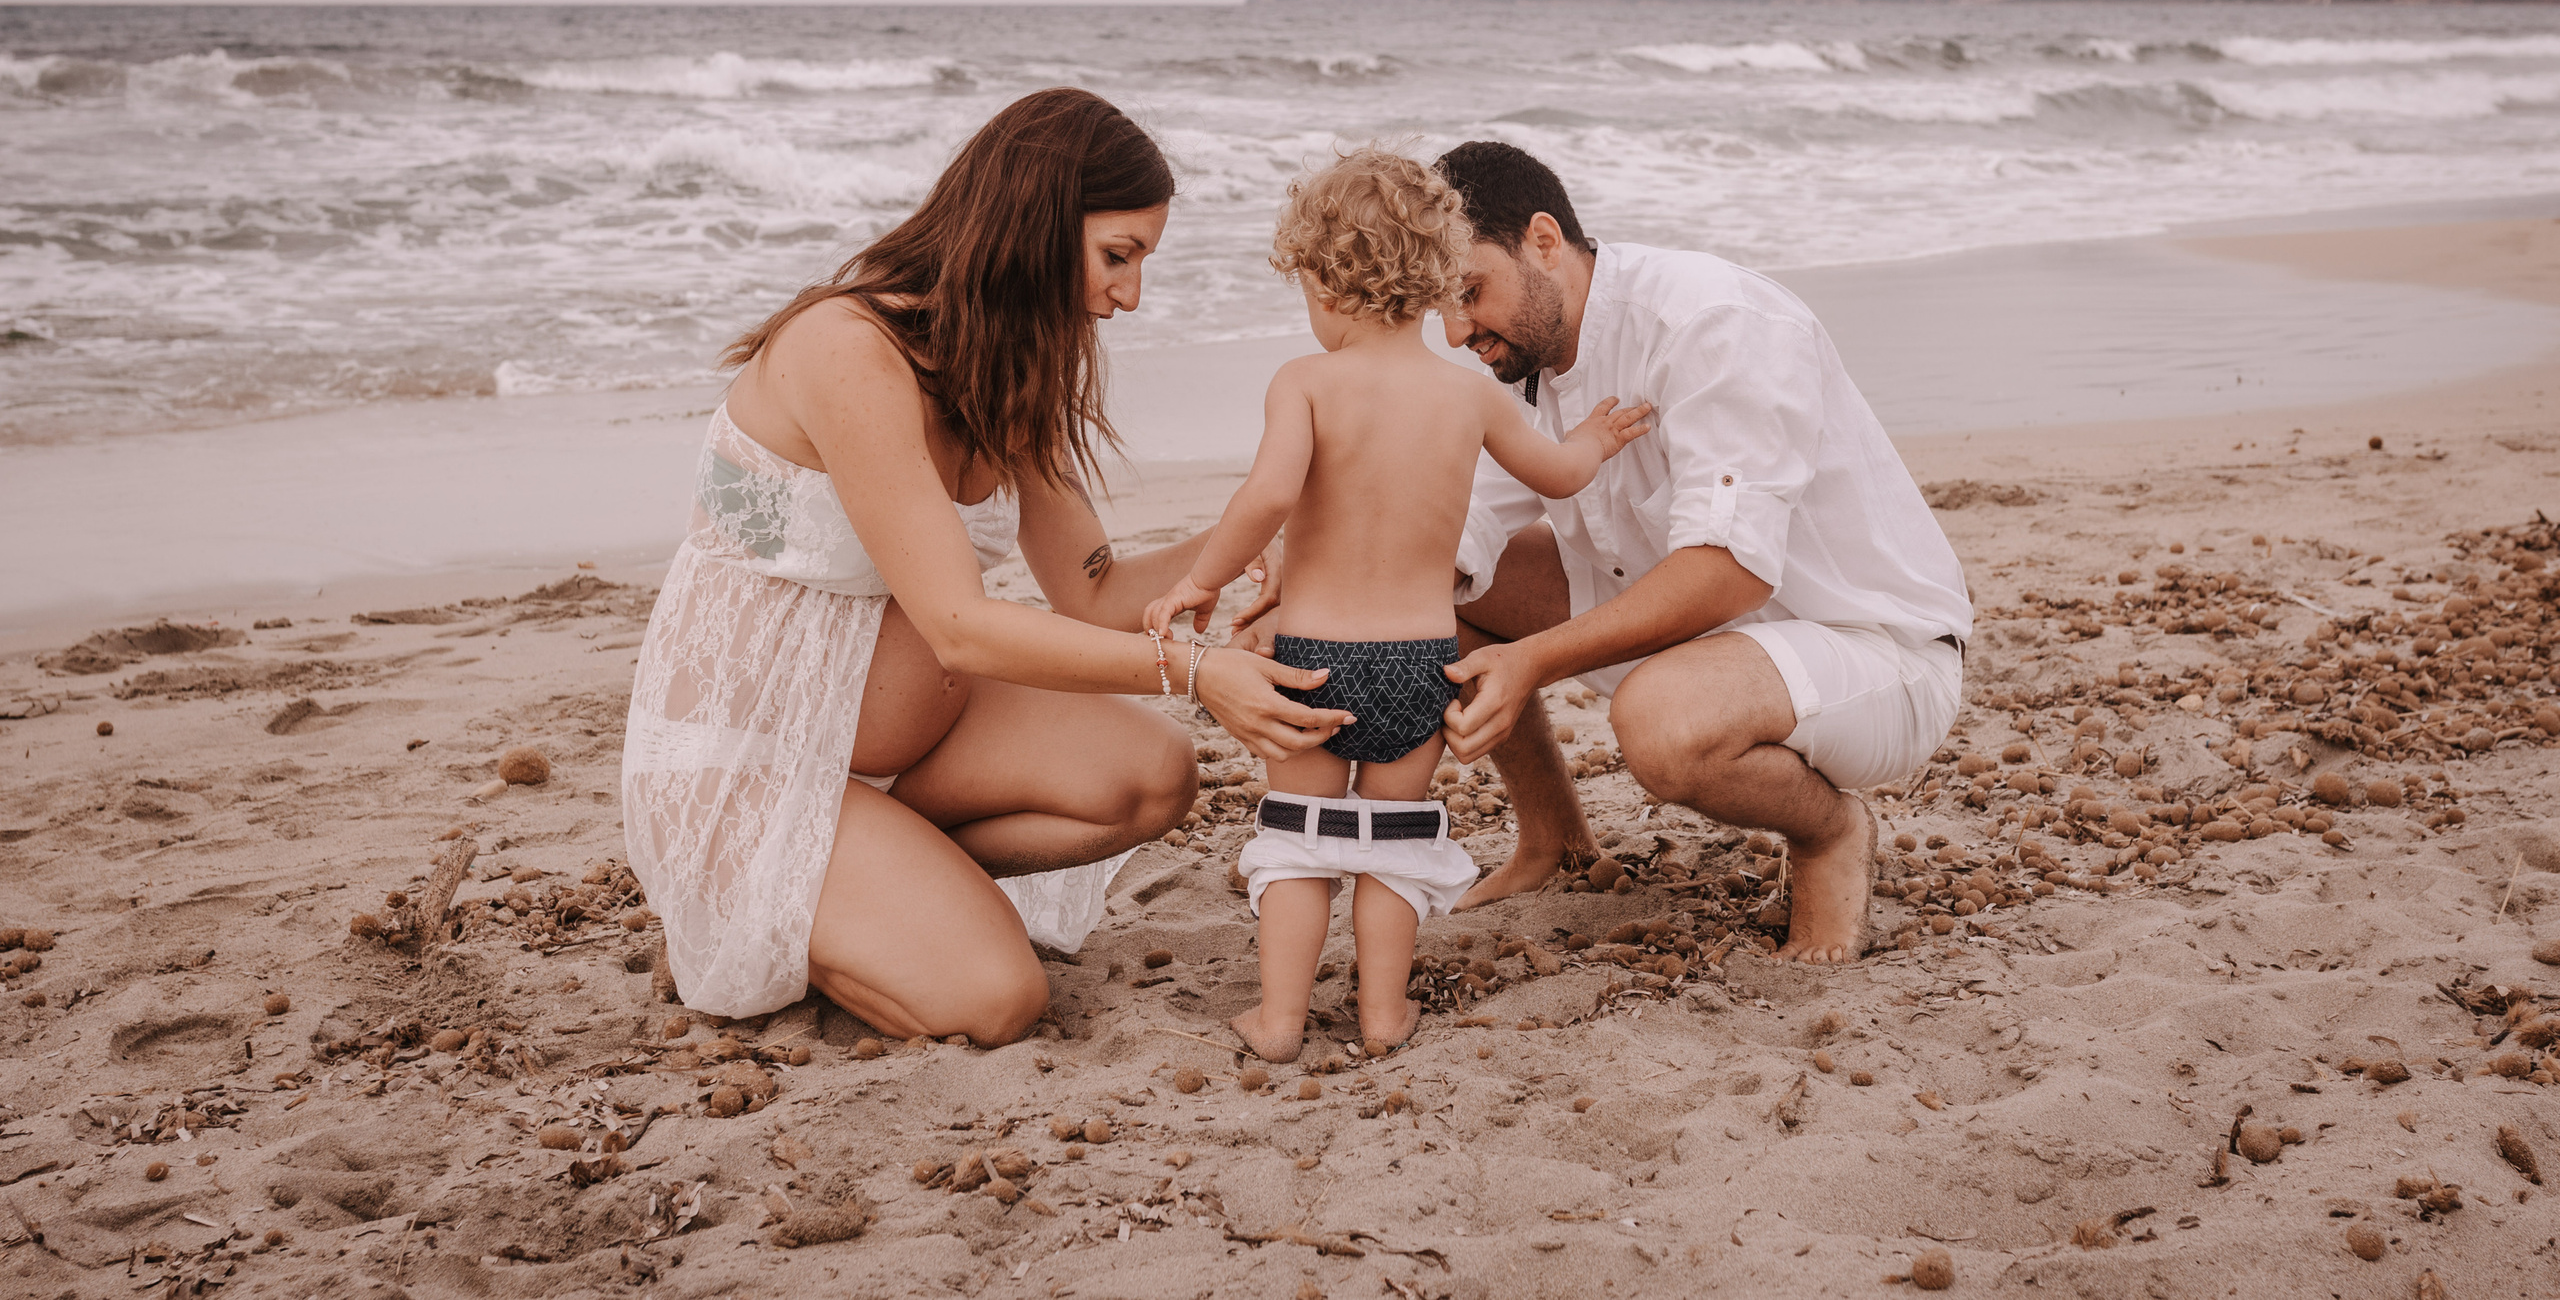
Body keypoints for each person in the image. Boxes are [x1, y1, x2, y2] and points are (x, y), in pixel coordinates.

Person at [620, 88, 1354, 1047]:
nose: (1129, 296)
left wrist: (1252, 550)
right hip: (753, 765)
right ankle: (797, 907)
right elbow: (958, 623)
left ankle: (894, 879)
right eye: (1117, 257)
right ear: (1035, 222)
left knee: (1152, 775)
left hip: (900, 755)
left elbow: (1093, 593)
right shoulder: (850, 351)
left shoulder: (1007, 369)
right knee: (996, 1001)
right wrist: (1196, 669)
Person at [1143, 150, 1651, 1059]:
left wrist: (1201, 582)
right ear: (1428, 278)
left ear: (1325, 286)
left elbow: (1266, 499)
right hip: (1420, 666)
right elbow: (1562, 475)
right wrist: (1596, 436)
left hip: (1310, 662)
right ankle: (1383, 1015)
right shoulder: (1466, 394)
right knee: (1392, 841)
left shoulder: (1304, 381)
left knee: (1299, 841)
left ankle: (1280, 1019)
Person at [1423, 140, 1972, 961]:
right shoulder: (1530, 359)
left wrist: (1531, 660)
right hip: (1702, 637)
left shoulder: (1709, 320)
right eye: (1441, 307)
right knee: (1448, 590)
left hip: (1869, 649)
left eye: (1470, 292)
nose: (1459, 330)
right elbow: (1450, 529)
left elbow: (1730, 571)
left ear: (1544, 240)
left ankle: (1830, 832)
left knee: (1659, 722)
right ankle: (1555, 842)